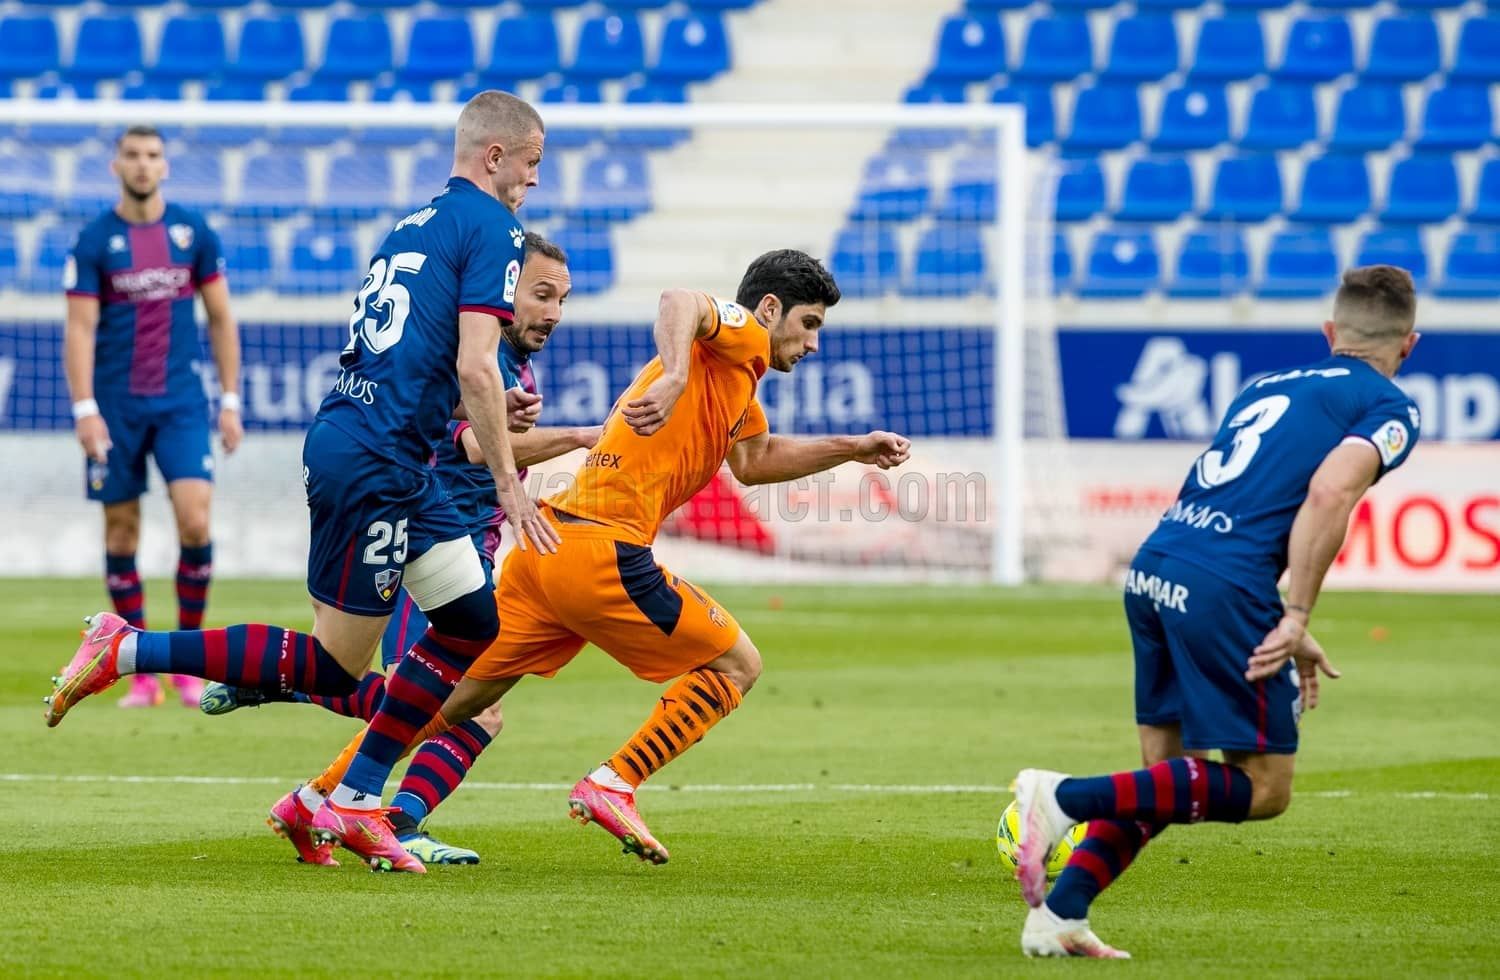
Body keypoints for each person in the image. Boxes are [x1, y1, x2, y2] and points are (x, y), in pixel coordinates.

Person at [45, 91, 561, 875]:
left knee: (470, 623)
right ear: (495, 157)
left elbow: (418, 362)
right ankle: (127, 647)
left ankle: (352, 802)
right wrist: (508, 481)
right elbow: (475, 362)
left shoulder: (415, 223)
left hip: (379, 447)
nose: (532, 180)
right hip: (380, 458)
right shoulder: (496, 226)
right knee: (334, 666)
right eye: (530, 164)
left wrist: (467, 410)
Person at [306, 250, 912, 872]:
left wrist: (853, 448)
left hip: (546, 551)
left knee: (451, 702)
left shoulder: (738, 376)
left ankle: (317, 798)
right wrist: (673, 374)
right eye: (809, 324)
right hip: (601, 550)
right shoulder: (742, 335)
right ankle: (615, 782)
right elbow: (680, 298)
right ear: (769, 308)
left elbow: (756, 459)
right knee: (737, 664)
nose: (813, 343)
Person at [1010, 265, 1422, 959]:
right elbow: (1328, 496)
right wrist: (1292, 613)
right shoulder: (1390, 406)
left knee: (1165, 776)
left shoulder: (1265, 386)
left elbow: (1240, 503)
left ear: (1330, 333)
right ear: (1409, 345)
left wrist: (1285, 619)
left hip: (1158, 566)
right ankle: (1061, 797)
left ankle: (1059, 916)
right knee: (1264, 790)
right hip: (1224, 587)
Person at [201, 234, 598, 866]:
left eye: (562, 299)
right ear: (504, 289)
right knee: (456, 703)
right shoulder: (471, 355)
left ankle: (289, 702)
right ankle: (394, 819)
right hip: (430, 540)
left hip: (468, 542)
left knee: (448, 700)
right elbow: (467, 446)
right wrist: (582, 436)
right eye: (541, 295)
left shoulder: (507, 362)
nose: (553, 311)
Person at [63, 124, 243, 709]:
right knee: (122, 531)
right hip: (114, 409)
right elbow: (80, 328)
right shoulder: (94, 240)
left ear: (165, 166)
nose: (143, 165)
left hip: (181, 404)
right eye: (133, 155)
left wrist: (232, 399)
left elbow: (220, 318)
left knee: (194, 521)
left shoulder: (192, 232)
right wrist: (85, 408)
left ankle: (186, 661)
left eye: (153, 156)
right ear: (116, 165)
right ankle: (136, 672)